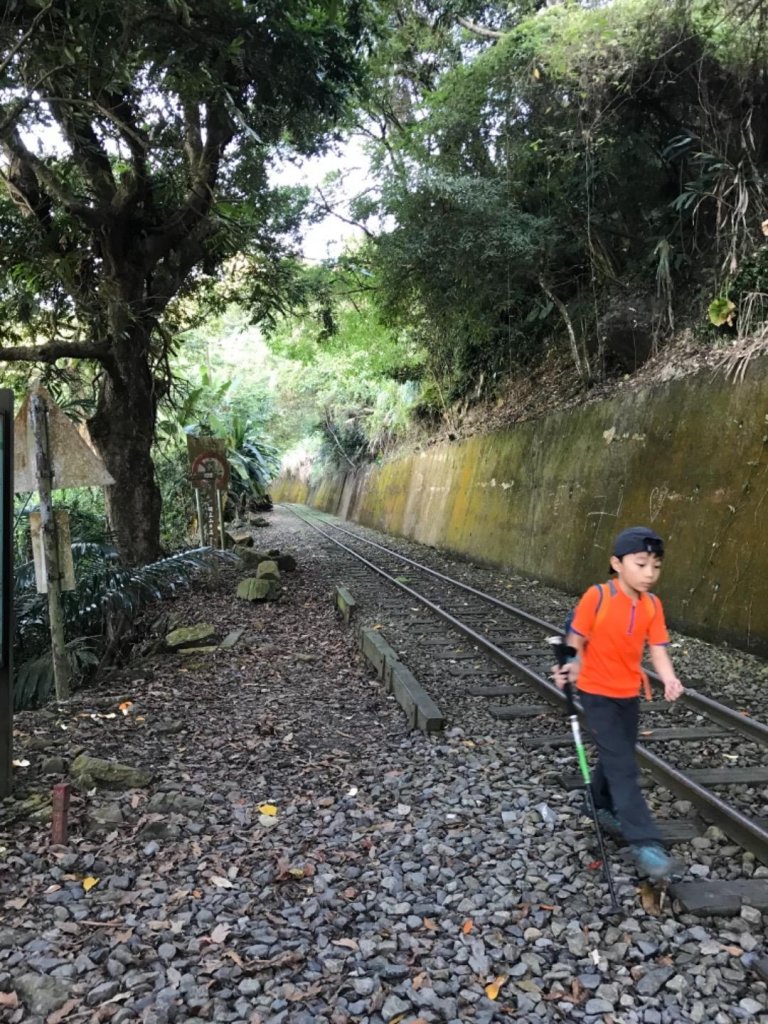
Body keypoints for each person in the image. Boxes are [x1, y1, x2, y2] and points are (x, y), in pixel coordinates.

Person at [552, 525, 685, 880]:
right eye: (641, 564)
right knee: (623, 764)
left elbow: (658, 648)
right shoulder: (597, 597)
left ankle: (597, 803)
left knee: (619, 752)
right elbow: (575, 639)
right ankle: (645, 841)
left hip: (628, 693)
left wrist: (669, 677)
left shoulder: (652, 605)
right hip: (596, 693)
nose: (649, 574)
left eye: (656, 566)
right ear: (617, 563)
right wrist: (570, 665)